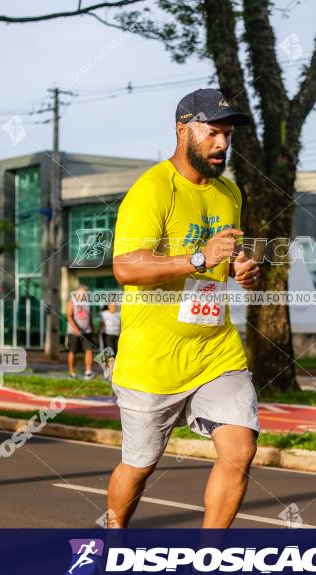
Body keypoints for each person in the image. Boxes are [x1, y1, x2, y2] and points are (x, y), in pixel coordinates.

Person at [106, 88, 261, 529]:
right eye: (214, 133)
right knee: (138, 469)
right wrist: (197, 258)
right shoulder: (152, 189)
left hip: (215, 351)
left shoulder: (228, 192)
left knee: (240, 449)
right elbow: (125, 267)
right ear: (183, 130)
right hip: (152, 361)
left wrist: (243, 270)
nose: (222, 144)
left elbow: (226, 259)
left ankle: (207, 568)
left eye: (228, 135)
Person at [65, 285, 95, 380]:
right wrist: (75, 328)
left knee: (89, 350)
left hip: (87, 331)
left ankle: (88, 371)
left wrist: (92, 329)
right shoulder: (72, 301)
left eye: (85, 293)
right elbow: (69, 316)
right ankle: (71, 373)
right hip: (73, 332)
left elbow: (89, 317)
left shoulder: (87, 303)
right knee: (73, 351)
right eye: (81, 292)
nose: (83, 295)